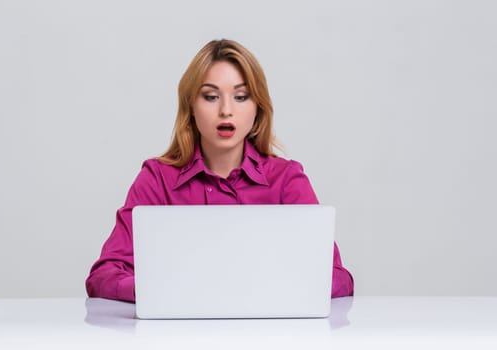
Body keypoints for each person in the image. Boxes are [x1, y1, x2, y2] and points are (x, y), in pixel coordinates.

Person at [86, 39, 354, 302]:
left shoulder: (286, 179)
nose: (226, 111)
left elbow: (337, 278)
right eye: (211, 97)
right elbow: (103, 277)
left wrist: (258, 287)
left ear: (257, 107)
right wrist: (160, 290)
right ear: (191, 105)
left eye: (240, 97)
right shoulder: (157, 179)